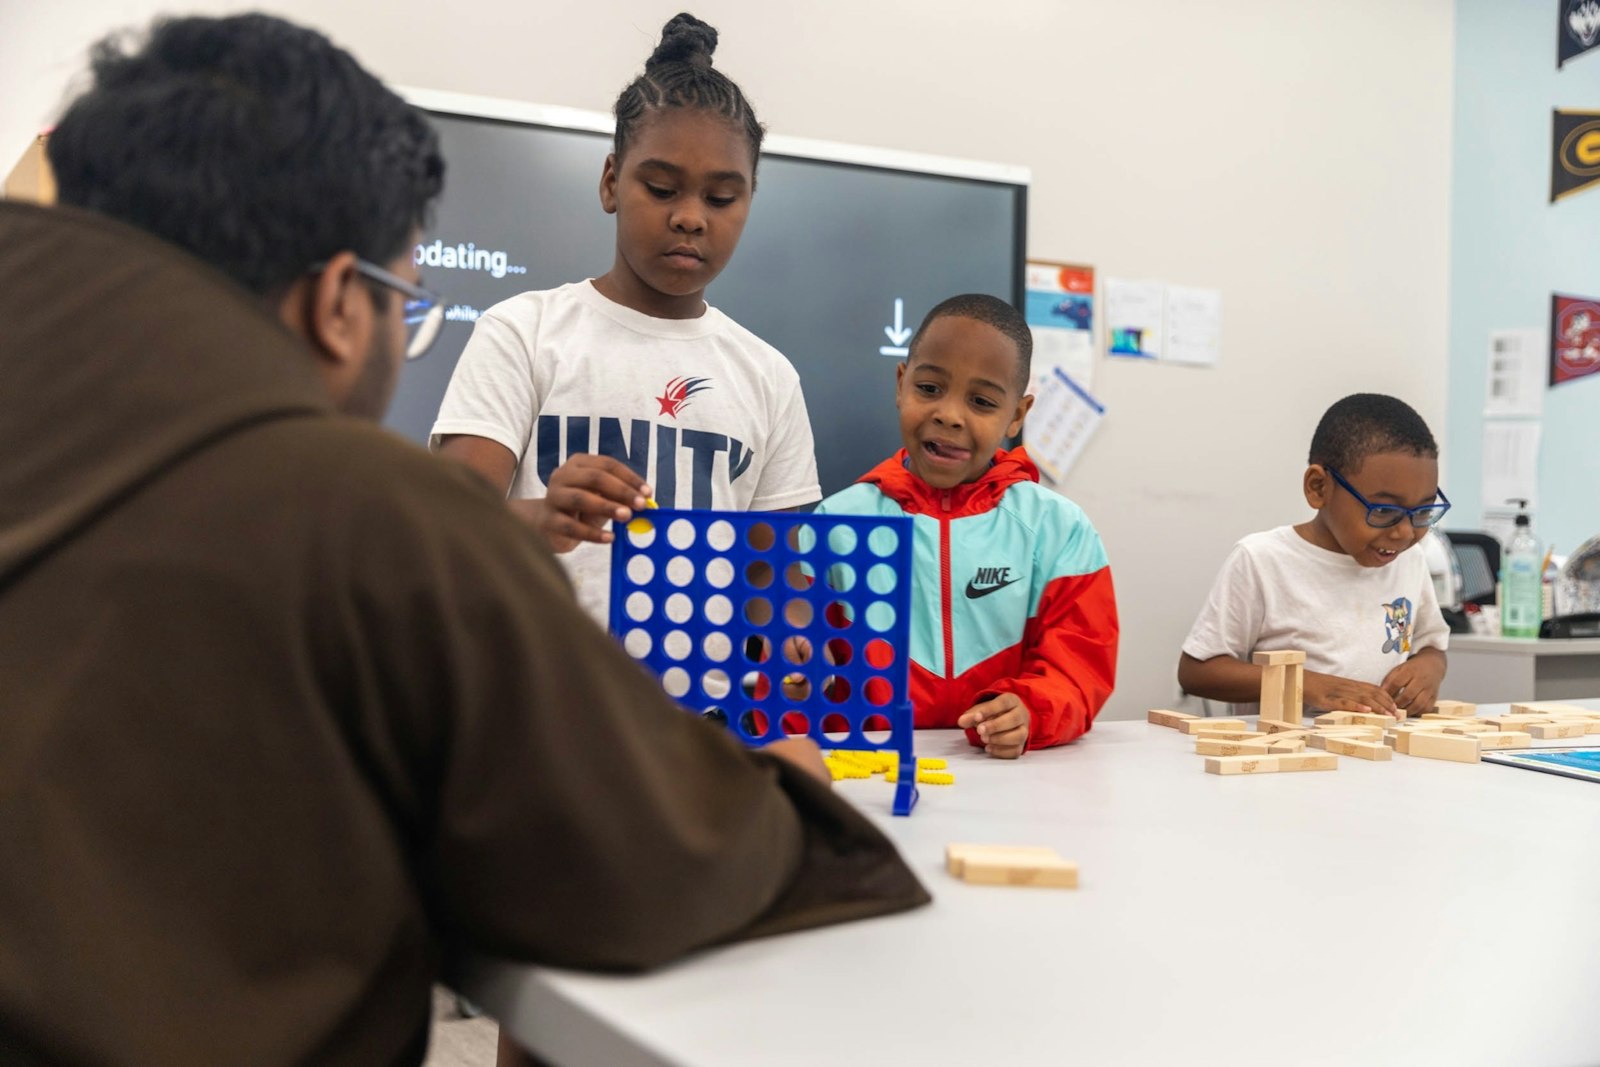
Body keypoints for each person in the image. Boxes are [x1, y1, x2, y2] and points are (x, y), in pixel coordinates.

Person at [0, 15, 926, 1066]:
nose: (690, 216)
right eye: (406, 297)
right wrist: (795, 792)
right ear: (338, 306)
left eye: (723, 195)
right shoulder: (378, 523)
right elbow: (638, 864)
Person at [432, 12, 820, 626]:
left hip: (699, 716)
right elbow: (444, 526)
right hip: (541, 703)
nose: (692, 217)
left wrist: (799, 631)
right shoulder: (524, 332)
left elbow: (778, 579)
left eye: (722, 198)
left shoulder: (769, 377)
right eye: (662, 189)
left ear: (749, 201)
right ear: (612, 182)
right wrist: (541, 515)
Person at [811, 295, 1119, 758]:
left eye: (981, 401)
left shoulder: (1060, 530)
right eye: (930, 388)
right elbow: (799, 674)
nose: (950, 414)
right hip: (867, 777)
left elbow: (1080, 666)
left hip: (1008, 784)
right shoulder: (836, 525)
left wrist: (1029, 711)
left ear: (1017, 415)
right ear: (901, 384)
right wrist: (792, 682)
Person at [1178, 393, 1451, 717]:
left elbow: (1432, 645)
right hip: (1287, 757)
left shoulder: (1409, 560)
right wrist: (1308, 685)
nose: (1405, 533)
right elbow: (1197, 671)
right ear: (1319, 488)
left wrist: (1429, 669)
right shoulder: (1263, 560)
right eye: (1384, 510)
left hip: (1381, 756)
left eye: (1423, 511)